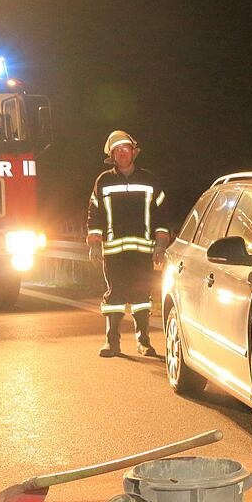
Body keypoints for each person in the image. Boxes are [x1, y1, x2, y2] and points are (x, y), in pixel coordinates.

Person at [86, 130, 169, 357]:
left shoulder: (149, 180)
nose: (122, 154)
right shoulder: (104, 181)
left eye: (126, 149)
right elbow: (95, 214)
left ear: (134, 152)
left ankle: (144, 342)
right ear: (112, 156)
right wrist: (94, 243)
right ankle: (112, 342)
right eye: (117, 151)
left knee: (142, 296)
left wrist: (161, 244)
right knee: (116, 295)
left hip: (143, 251)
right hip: (113, 252)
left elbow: (162, 215)